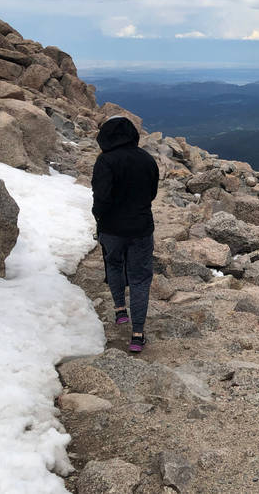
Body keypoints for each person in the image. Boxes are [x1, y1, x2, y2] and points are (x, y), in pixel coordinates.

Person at [92, 117, 159, 353]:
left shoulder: (105, 161)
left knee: (114, 264)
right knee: (140, 278)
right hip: (141, 227)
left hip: (111, 227)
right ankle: (138, 335)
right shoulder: (147, 160)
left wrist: (99, 218)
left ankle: (120, 310)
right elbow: (152, 193)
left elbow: (101, 198)